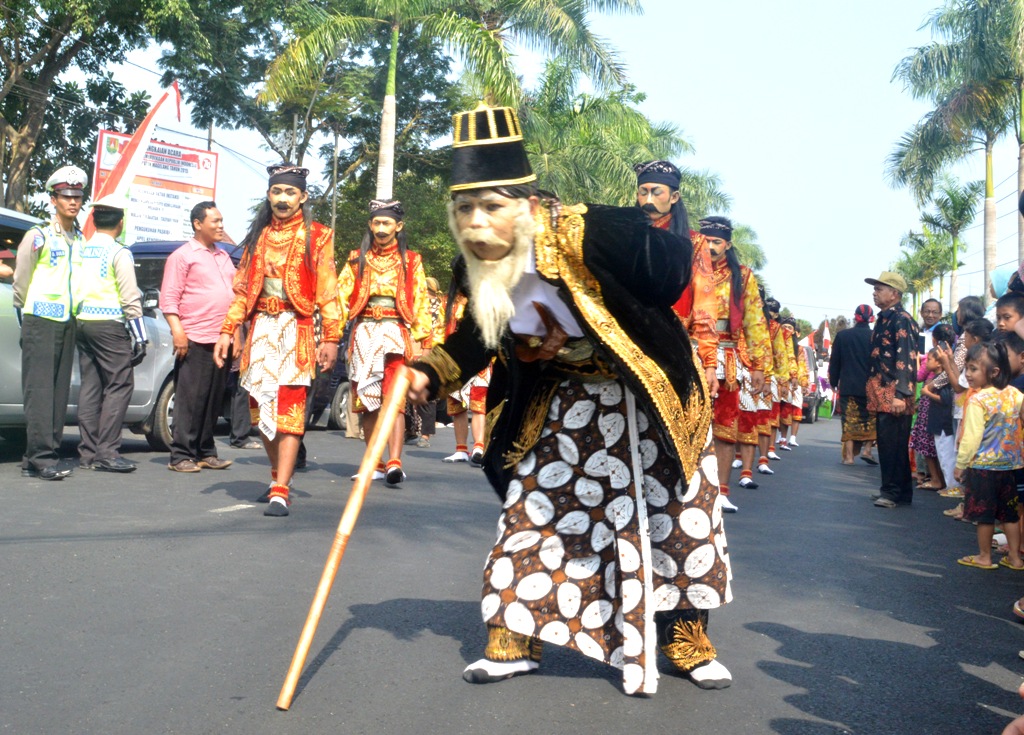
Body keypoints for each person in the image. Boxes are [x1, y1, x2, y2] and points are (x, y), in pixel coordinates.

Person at [407, 103, 732, 695]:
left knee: (678, 519)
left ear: (528, 206)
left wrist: (640, 240)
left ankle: (686, 639)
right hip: (564, 406)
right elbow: (474, 340)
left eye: (492, 207)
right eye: (465, 210)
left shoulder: (591, 230)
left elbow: (669, 273)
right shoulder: (478, 263)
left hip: (650, 399)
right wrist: (429, 372)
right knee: (534, 515)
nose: (478, 223)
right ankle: (514, 632)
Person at [214, 164, 341, 517]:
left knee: (290, 408)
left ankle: (282, 489)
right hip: (260, 332)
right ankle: (275, 480)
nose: (282, 199)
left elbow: (328, 293)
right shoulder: (258, 237)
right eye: (276, 192)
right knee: (260, 410)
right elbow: (241, 292)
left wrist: (330, 338)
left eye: (289, 193)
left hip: (295, 329)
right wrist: (228, 330)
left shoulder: (319, 236)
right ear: (268, 196)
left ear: (302, 197)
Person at [338, 199, 430, 486]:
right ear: (370, 224)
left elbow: (422, 300)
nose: (381, 228)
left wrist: (423, 340)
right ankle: (374, 462)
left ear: (398, 226)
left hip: (395, 334)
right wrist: (329, 336)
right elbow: (340, 299)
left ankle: (394, 462)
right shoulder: (356, 258)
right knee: (367, 402)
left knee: (395, 401)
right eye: (376, 222)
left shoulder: (411, 260)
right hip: (364, 332)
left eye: (386, 223)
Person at [12, 166, 89, 480]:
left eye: (77, 196)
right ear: (53, 199)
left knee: (58, 392)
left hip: (67, 320)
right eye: (65, 196)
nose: (72, 202)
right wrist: (27, 314)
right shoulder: (39, 236)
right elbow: (21, 281)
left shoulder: (79, 238)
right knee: (41, 390)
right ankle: (43, 457)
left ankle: (38, 455)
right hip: (41, 319)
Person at [160, 201, 237, 474]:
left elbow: (235, 295)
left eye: (221, 220)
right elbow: (169, 298)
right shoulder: (182, 256)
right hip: (194, 337)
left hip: (222, 339)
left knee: (213, 399)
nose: (220, 226)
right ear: (197, 224)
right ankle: (181, 454)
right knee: (190, 400)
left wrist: (235, 333)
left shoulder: (223, 256)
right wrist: (178, 332)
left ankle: (205, 451)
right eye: (214, 221)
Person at [71, 196, 147, 472]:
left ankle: (88, 453)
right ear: (120, 223)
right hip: (109, 324)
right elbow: (130, 298)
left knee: (90, 387)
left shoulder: (81, 249)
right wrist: (140, 336)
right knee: (119, 385)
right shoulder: (119, 252)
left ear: (93, 220)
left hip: (82, 321)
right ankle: (107, 452)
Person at [699, 215, 769, 505]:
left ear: (727, 244)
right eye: (706, 241)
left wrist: (758, 366)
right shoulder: (689, 266)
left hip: (728, 356)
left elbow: (754, 321)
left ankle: (721, 492)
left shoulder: (744, 275)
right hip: (690, 350)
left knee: (725, 427)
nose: (711, 247)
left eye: (717, 242)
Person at [953, 341, 1023, 570]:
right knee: (1009, 514)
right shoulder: (1015, 394)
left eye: (973, 369)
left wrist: (961, 464)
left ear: (994, 372)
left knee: (984, 515)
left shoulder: (978, 399)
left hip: (983, 467)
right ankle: (1015, 557)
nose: (968, 374)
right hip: (1009, 467)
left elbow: (971, 437)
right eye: (967, 368)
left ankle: (984, 556)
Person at [865, 271, 920, 508]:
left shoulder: (901, 319)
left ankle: (891, 492)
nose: (875, 293)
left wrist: (901, 395)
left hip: (894, 393)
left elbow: (907, 358)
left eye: (879, 289)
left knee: (893, 445)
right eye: (875, 289)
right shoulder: (884, 319)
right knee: (889, 444)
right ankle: (899, 492)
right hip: (882, 392)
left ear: (894, 293)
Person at [828, 304, 876, 465]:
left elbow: (835, 363)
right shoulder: (875, 337)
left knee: (849, 420)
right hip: (871, 387)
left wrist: (834, 382)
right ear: (871, 318)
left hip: (848, 386)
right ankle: (868, 450)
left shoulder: (843, 336)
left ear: (855, 317)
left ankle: (849, 457)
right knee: (871, 420)